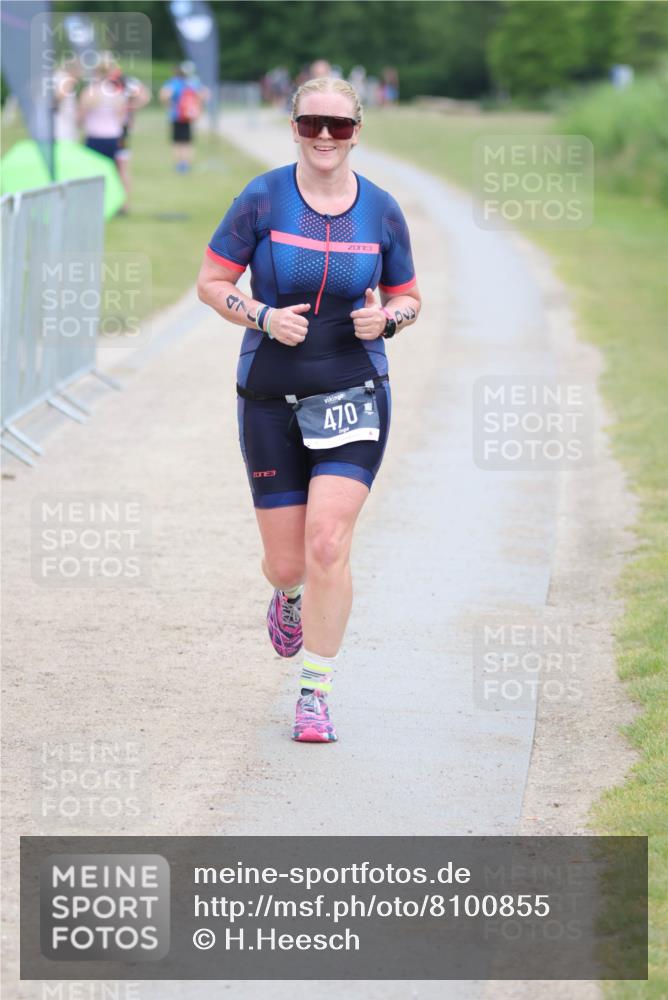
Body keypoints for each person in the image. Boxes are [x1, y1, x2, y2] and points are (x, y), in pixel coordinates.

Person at [197, 77, 421, 743]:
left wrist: (389, 320)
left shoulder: (380, 210)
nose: (326, 137)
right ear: (293, 125)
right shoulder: (262, 198)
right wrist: (262, 315)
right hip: (269, 395)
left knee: (329, 541)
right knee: (289, 564)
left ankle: (315, 691)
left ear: (359, 130)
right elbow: (212, 281)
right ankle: (288, 599)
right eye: (313, 123)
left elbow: (409, 294)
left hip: (354, 390)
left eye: (340, 126)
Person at [159, 61, 209, 173]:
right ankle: (186, 165)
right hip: (189, 117)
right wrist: (198, 106)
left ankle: (179, 165)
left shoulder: (174, 82)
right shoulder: (194, 82)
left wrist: (169, 105)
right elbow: (205, 94)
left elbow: (164, 95)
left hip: (176, 116)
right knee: (188, 142)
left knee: (177, 142)